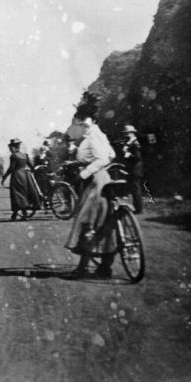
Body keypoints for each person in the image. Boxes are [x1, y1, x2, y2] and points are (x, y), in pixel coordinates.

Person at [64, 93, 117, 279]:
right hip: (105, 179)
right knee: (105, 224)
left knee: (88, 223)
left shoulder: (92, 136)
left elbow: (102, 158)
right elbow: (111, 154)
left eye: (81, 123)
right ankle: (105, 267)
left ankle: (82, 269)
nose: (80, 126)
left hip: (95, 181)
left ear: (86, 121)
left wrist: (84, 172)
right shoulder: (98, 134)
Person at [1, 138, 40, 220]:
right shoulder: (25, 155)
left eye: (11, 147)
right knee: (23, 194)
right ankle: (18, 214)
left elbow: (11, 168)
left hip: (16, 176)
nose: (10, 149)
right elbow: (32, 166)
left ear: (14, 147)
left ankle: (19, 214)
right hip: (25, 176)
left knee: (16, 195)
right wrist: (33, 172)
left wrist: (4, 177)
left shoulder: (13, 156)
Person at [121, 124, 144, 214]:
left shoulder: (135, 143)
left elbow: (137, 157)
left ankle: (138, 209)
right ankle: (136, 208)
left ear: (132, 133)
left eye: (127, 133)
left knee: (136, 189)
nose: (125, 135)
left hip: (135, 170)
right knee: (134, 190)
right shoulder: (130, 142)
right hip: (132, 169)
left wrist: (127, 154)